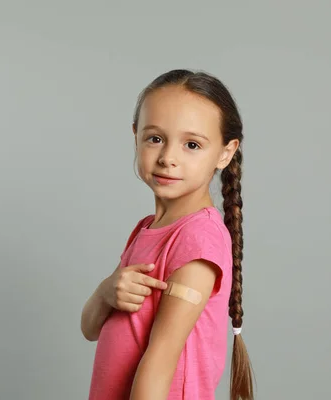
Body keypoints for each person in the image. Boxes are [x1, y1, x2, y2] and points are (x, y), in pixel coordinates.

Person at [80, 69, 255, 400]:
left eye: (192, 144)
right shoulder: (147, 229)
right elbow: (90, 328)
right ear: (136, 136)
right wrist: (106, 293)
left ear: (225, 152)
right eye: (155, 138)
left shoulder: (197, 239)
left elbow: (161, 359)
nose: (168, 158)